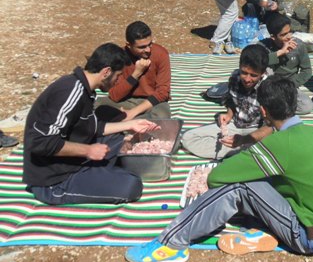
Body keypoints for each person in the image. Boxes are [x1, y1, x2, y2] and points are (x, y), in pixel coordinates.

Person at [125, 76, 313, 262]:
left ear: (263, 110)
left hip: (308, 236)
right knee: (264, 182)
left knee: (238, 187)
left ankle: (171, 242)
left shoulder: (279, 143)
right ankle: (266, 232)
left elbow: (218, 178)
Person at [22, 43, 159, 205]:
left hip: (74, 161)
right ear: (106, 72)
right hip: (53, 180)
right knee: (132, 185)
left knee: (121, 141)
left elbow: (94, 127)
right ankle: (98, 176)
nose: (118, 81)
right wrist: (88, 150)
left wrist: (130, 125)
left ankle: (100, 173)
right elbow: (39, 142)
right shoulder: (70, 92)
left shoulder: (85, 90)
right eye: (118, 75)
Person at [181, 45, 272, 160]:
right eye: (244, 73)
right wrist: (229, 114)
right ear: (239, 67)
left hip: (256, 130)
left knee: (269, 144)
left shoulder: (270, 87)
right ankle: (240, 152)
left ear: (262, 73)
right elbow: (231, 100)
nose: (247, 79)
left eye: (253, 75)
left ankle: (238, 149)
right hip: (236, 125)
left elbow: (270, 127)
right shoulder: (235, 77)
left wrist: (244, 140)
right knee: (188, 138)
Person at [94, 21, 171, 121]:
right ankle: (138, 125)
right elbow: (114, 95)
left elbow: (163, 92)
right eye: (142, 47)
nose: (148, 50)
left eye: (150, 44)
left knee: (162, 115)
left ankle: (126, 123)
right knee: (99, 105)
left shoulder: (161, 54)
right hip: (127, 101)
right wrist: (136, 74)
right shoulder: (119, 57)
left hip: (152, 102)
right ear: (129, 45)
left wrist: (132, 113)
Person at [259, 14, 313, 115]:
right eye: (283, 35)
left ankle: (273, 108)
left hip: (289, 86)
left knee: (307, 106)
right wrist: (280, 52)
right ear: (273, 37)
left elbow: (307, 70)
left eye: (290, 32)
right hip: (268, 85)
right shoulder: (263, 46)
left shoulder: (299, 46)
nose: (289, 37)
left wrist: (291, 85)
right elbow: (255, 62)